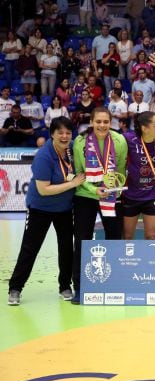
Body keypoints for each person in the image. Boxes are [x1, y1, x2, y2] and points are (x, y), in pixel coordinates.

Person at [6, 117, 85, 305]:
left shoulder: (73, 147)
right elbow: (44, 189)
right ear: (52, 134)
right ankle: (15, 288)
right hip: (40, 208)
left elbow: (86, 139)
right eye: (60, 133)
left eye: (68, 132)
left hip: (65, 209)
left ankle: (65, 286)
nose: (65, 136)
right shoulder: (44, 156)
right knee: (30, 248)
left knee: (66, 248)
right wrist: (72, 183)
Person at [71, 107, 128, 304]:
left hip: (110, 195)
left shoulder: (119, 141)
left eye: (106, 122)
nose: (102, 125)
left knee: (114, 237)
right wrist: (93, 190)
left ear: (110, 122)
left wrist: (113, 189)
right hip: (86, 195)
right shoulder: (79, 142)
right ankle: (79, 287)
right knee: (82, 240)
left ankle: (113, 283)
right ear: (92, 122)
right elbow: (79, 173)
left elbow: (120, 170)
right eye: (98, 122)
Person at [120, 111, 155, 240]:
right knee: (127, 237)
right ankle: (128, 261)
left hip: (153, 195)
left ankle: (148, 260)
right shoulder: (128, 138)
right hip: (131, 195)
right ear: (144, 128)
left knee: (152, 236)